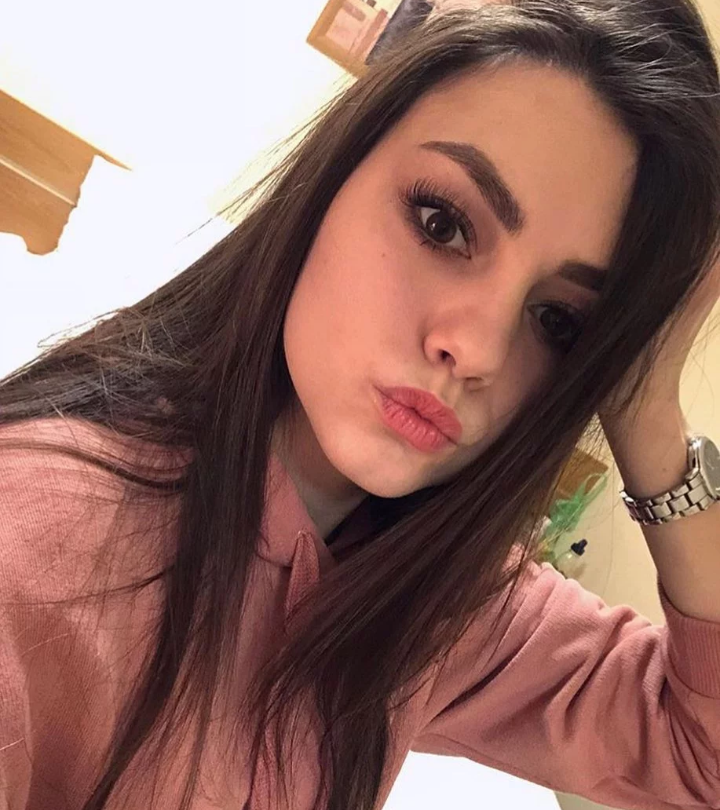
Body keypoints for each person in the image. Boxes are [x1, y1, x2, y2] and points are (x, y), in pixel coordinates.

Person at [0, 1, 719, 809]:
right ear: (334, 176)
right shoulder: (35, 549)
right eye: (442, 224)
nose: (478, 350)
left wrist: (647, 404)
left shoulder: (439, 600)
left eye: (560, 322)